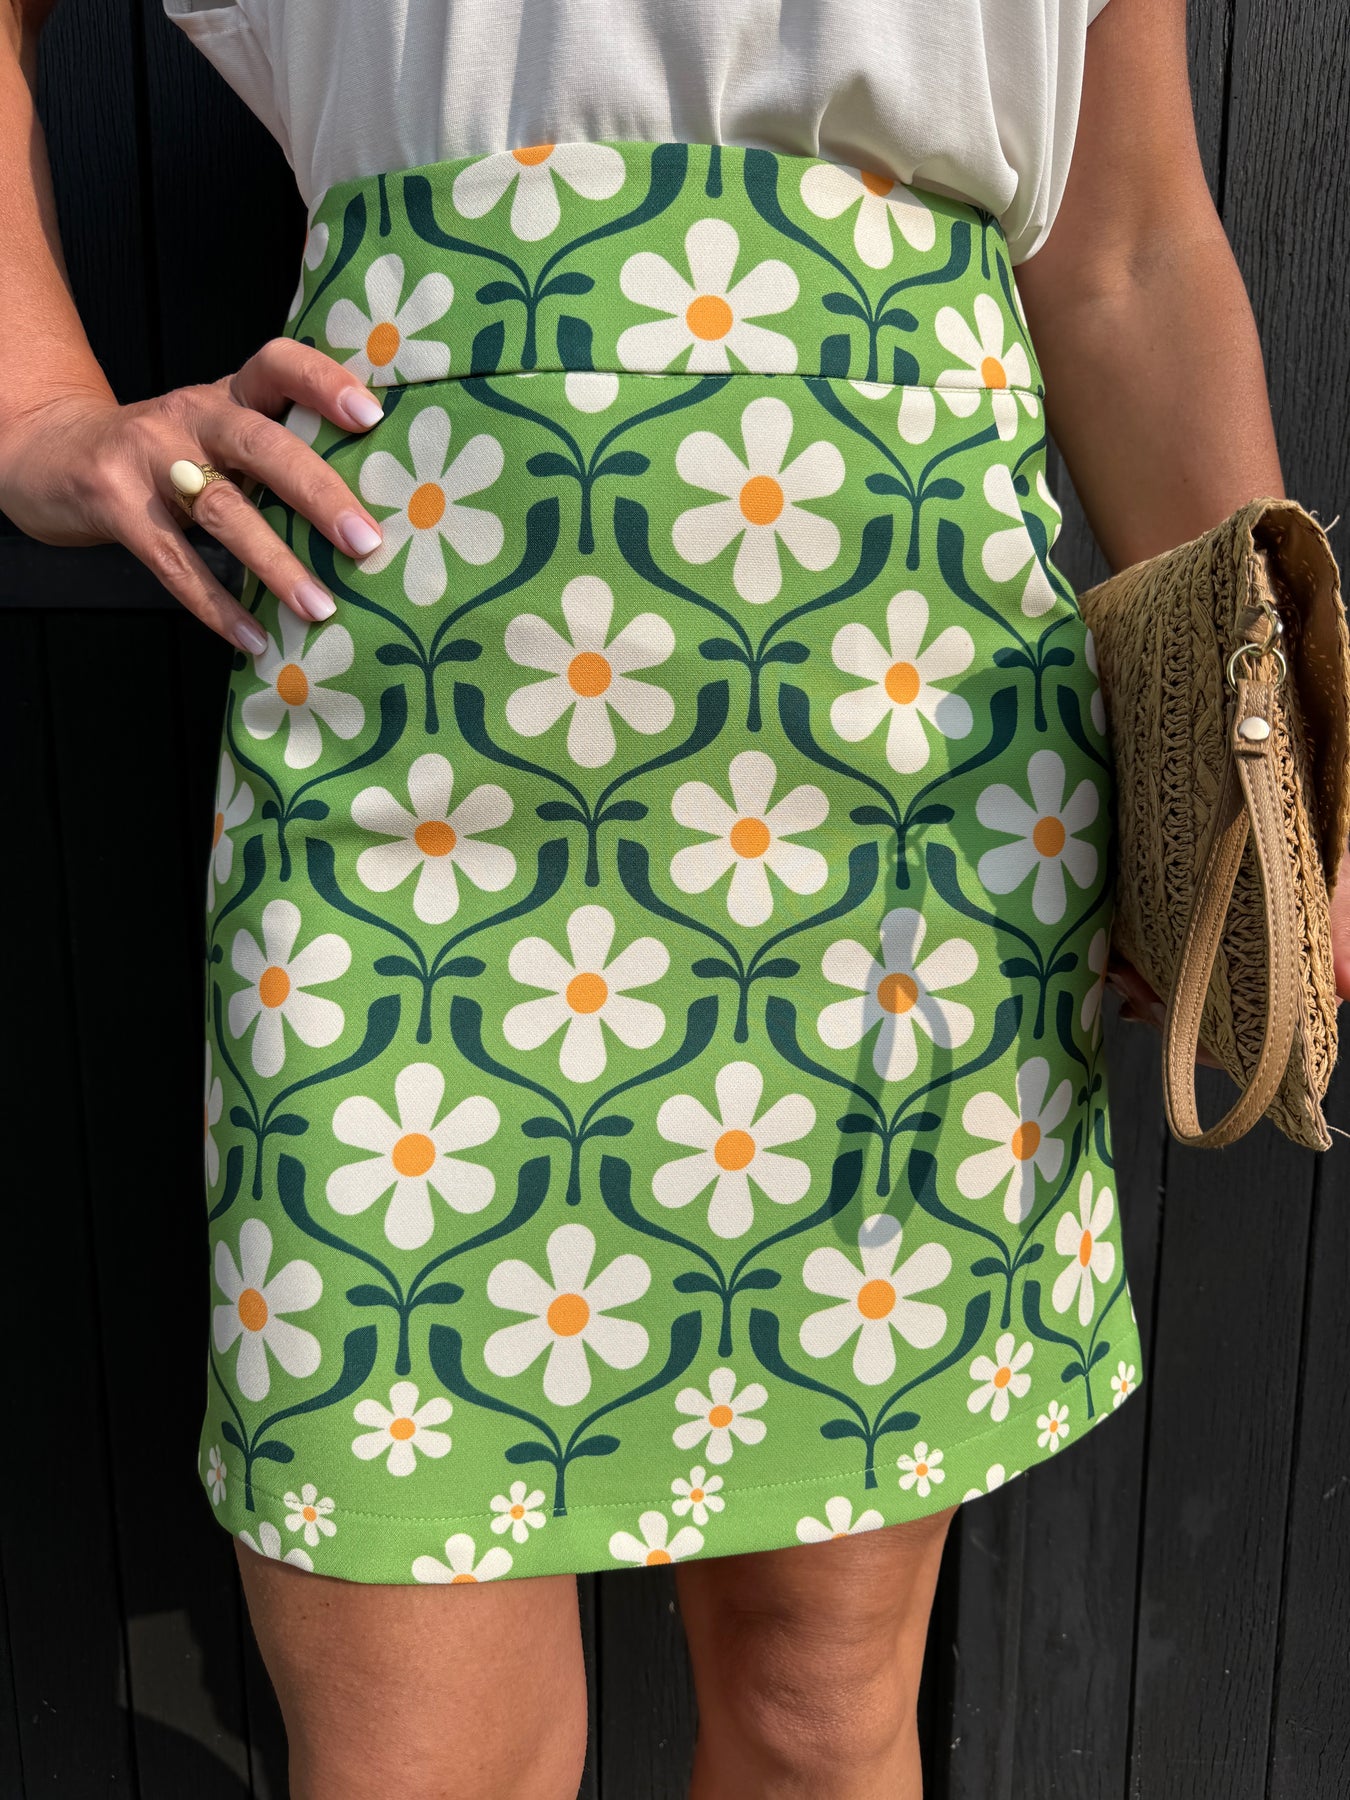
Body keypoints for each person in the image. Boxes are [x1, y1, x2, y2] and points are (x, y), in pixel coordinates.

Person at [5, 3, 1344, 1798]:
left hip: (907, 756)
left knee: (816, 1715)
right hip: (411, 754)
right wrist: (38, 412)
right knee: (423, 1762)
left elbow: (1120, 254)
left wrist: (1268, 767)